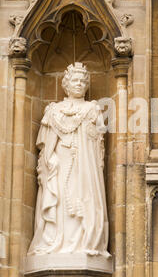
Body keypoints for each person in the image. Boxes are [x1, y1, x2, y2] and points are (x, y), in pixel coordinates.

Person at [28, 62, 110, 257]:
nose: (79, 84)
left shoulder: (92, 109)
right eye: (75, 80)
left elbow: (98, 146)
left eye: (83, 81)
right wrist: (51, 159)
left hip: (85, 166)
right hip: (62, 164)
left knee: (84, 199)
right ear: (66, 84)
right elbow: (47, 145)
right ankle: (57, 242)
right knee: (62, 202)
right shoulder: (54, 110)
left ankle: (85, 242)